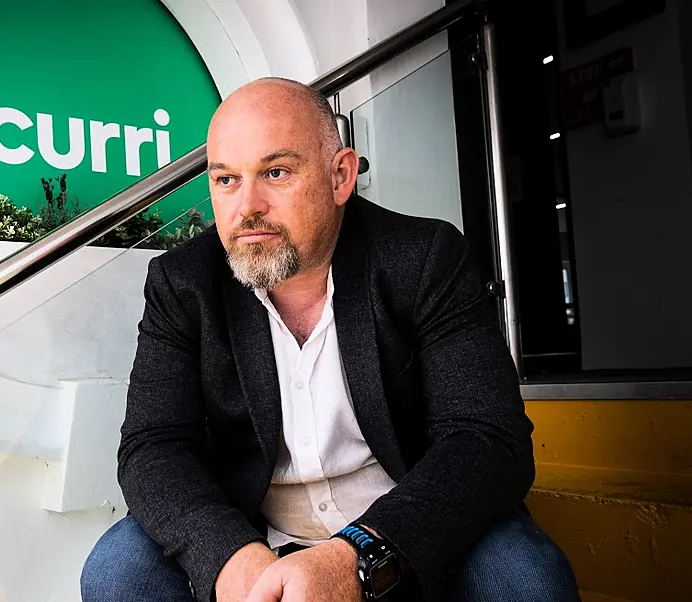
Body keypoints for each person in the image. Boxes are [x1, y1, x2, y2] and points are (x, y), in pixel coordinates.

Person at [79, 78, 579, 602]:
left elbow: (488, 438)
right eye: (226, 179)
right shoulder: (183, 282)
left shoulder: (425, 258)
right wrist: (228, 555)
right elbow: (152, 445)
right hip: (256, 533)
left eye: (275, 173)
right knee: (119, 570)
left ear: (340, 176)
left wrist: (361, 554)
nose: (246, 206)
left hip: (407, 536)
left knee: (528, 579)